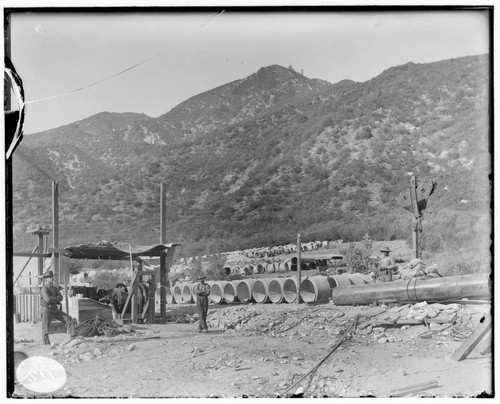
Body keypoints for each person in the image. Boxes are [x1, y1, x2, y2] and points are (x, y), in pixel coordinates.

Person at [40, 270, 75, 345]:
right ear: (46, 279)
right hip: (46, 310)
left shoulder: (55, 288)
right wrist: (56, 298)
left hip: (54, 309)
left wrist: (54, 298)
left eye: (52, 277)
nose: (51, 278)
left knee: (68, 319)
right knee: (45, 328)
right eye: (49, 277)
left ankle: (73, 337)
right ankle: (46, 344)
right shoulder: (44, 288)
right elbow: (47, 299)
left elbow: (61, 297)